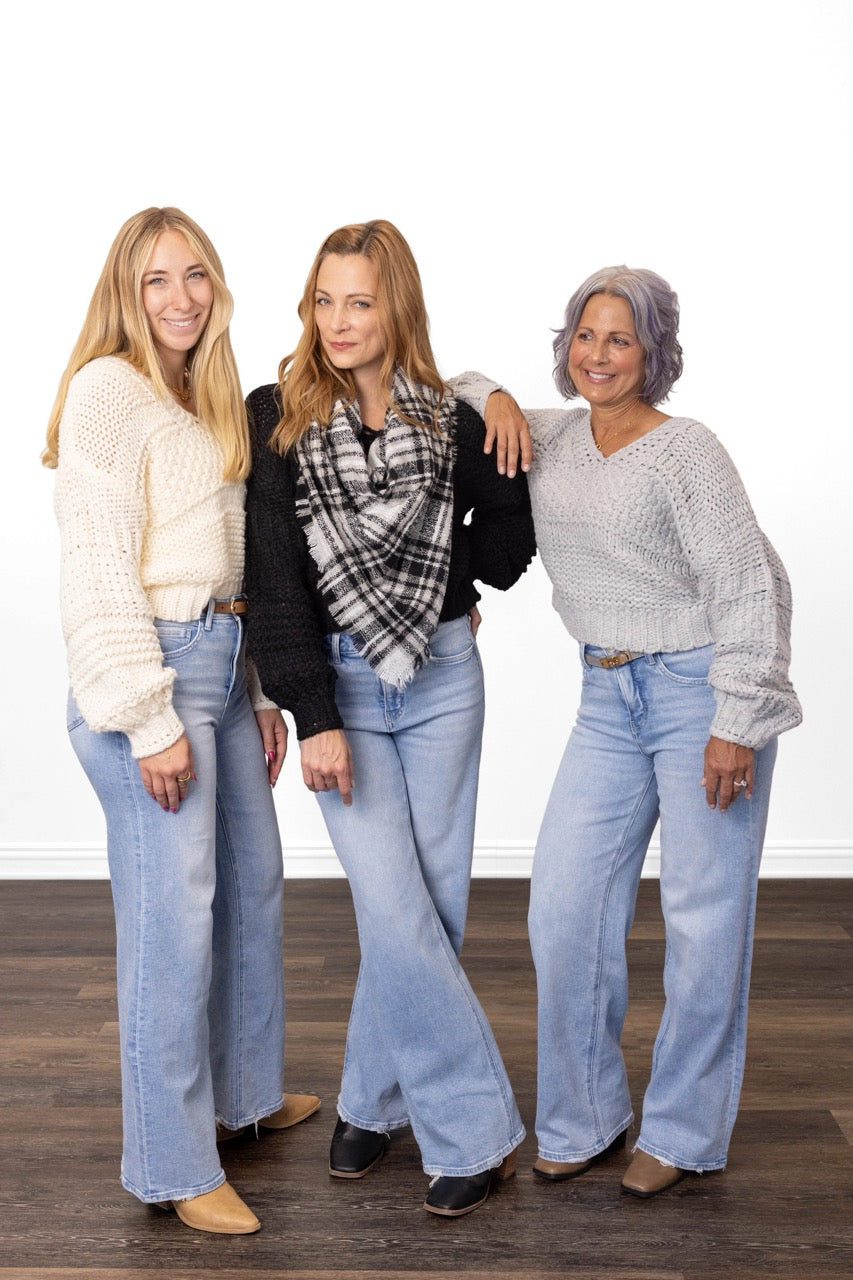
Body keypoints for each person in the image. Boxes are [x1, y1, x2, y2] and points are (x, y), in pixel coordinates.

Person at [452, 266, 802, 1197]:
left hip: (700, 692)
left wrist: (737, 717)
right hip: (605, 698)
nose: (597, 355)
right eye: (584, 335)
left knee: (702, 919)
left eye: (620, 339)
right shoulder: (552, 435)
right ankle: (584, 1118)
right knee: (563, 907)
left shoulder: (686, 450)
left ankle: (682, 1133)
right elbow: (445, 390)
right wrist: (492, 394)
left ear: (653, 352)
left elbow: (748, 584)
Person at [244, 220, 535, 1217]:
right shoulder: (277, 415)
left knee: (428, 905)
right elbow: (274, 581)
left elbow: (507, 532)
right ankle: (478, 1132)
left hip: (444, 677)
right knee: (393, 903)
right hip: (343, 689)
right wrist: (312, 713)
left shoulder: (449, 417)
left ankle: (371, 1097)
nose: (338, 321)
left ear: (394, 305)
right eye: (324, 300)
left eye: (359, 301)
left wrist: (450, 581)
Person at [44, 207, 320, 1236]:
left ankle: (242, 1096)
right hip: (151, 675)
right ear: (126, 291)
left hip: (221, 667)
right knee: (172, 926)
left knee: (250, 886)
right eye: (157, 278)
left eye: (195, 274)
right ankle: (171, 1160)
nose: (180, 296)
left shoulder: (203, 395)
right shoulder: (108, 390)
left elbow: (227, 556)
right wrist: (145, 715)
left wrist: (257, 691)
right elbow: (96, 564)